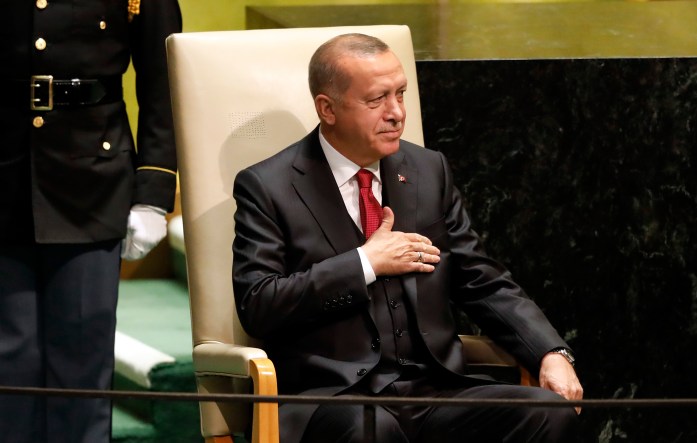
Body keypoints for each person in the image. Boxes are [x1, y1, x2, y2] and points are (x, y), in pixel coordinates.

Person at [232, 33, 583, 443]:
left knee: (548, 414)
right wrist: (365, 263)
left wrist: (549, 352)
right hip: (335, 399)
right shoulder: (268, 186)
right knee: (372, 431)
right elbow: (259, 304)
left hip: (434, 389)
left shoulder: (427, 169)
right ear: (327, 108)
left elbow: (481, 279)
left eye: (401, 94)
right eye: (377, 100)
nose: (397, 112)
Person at [0, 1, 181, 442]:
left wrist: (154, 195)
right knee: (9, 360)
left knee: (81, 363)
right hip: (5, 179)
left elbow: (165, 84)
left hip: (93, 185)